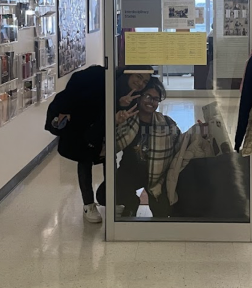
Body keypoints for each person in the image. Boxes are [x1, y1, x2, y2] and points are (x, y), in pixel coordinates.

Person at [50, 65, 152, 224]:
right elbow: (85, 97)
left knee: (108, 161)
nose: (140, 83)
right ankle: (88, 205)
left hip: (103, 130)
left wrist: (121, 105)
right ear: (129, 73)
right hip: (84, 126)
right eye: (138, 77)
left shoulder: (132, 92)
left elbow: (117, 110)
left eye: (145, 81)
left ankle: (112, 199)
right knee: (85, 160)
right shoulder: (105, 78)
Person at [115, 77, 182, 218]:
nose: (151, 102)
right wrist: (117, 123)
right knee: (104, 194)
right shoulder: (127, 120)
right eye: (147, 96)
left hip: (157, 177)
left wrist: (203, 131)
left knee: (163, 213)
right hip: (130, 173)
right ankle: (131, 202)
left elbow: (181, 145)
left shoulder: (167, 124)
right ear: (139, 98)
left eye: (156, 99)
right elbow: (111, 145)